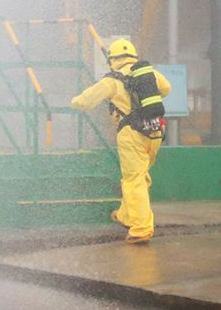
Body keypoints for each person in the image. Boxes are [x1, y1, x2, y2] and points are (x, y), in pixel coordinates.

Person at [72, 38, 171, 244]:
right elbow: (166, 88)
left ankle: (141, 228)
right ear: (133, 56)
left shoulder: (112, 80)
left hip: (131, 133)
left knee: (133, 179)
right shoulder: (148, 73)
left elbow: (86, 100)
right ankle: (126, 215)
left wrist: (73, 102)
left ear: (113, 59)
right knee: (139, 175)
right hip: (155, 131)